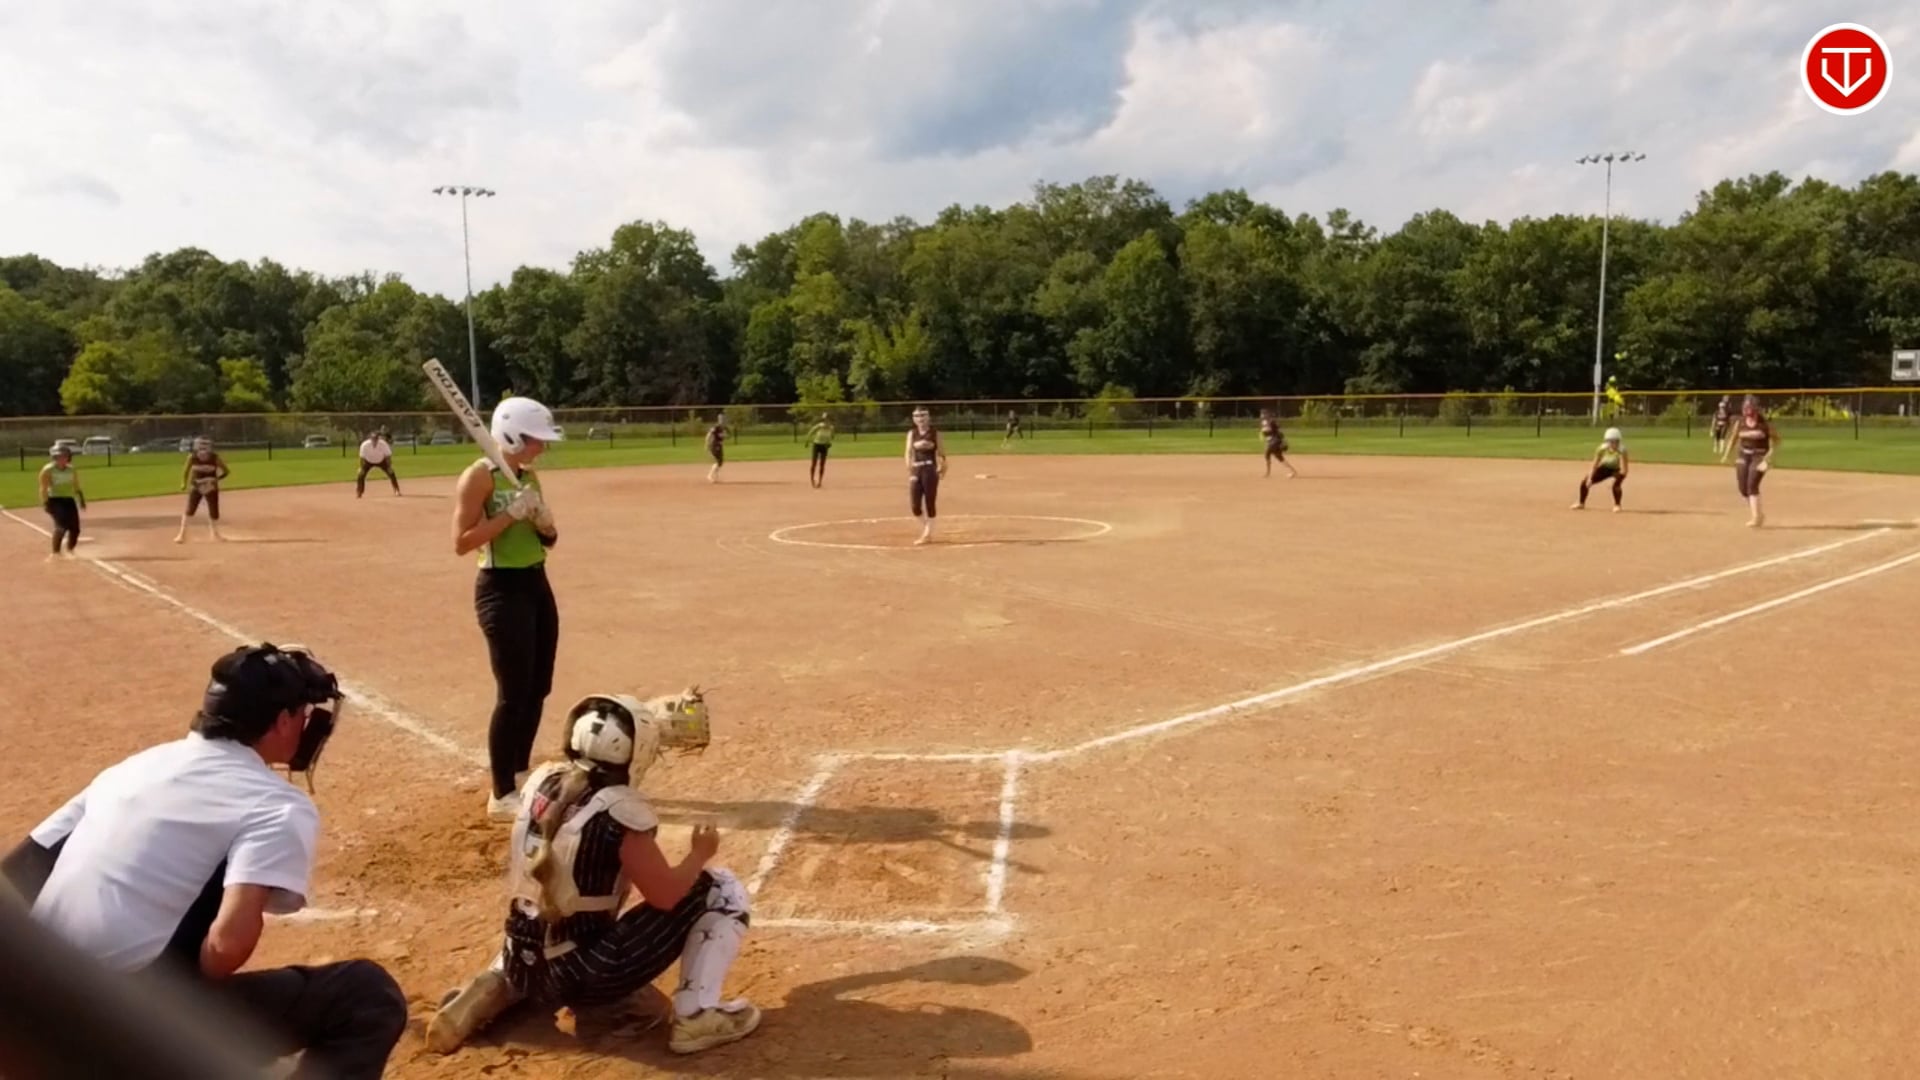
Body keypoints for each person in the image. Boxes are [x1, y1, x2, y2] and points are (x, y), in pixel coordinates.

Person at [0, 643, 408, 1080]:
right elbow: (225, 950)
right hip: (121, 1035)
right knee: (366, 996)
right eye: (303, 713)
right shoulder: (274, 805)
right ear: (283, 720)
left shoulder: (132, 768)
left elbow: (17, 875)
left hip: (28, 1021)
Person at [425, 688, 761, 1058]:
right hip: (583, 974)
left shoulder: (543, 783)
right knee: (721, 890)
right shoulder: (619, 814)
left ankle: (499, 983)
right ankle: (696, 1016)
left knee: (539, 916)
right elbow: (666, 895)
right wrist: (699, 854)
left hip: (522, 959)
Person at [454, 396, 564, 822]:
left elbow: (548, 541)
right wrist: (509, 515)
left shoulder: (528, 476)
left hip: (536, 583)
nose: (543, 447)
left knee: (539, 686)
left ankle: (519, 771)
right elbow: (462, 542)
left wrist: (544, 523)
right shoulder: (479, 477)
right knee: (513, 692)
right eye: (537, 439)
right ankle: (501, 793)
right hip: (500, 589)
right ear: (514, 436)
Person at [1720, 394, 1778, 527]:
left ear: (1756, 408)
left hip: (1759, 456)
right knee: (1743, 488)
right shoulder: (1740, 422)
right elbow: (1733, 439)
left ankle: (1756, 517)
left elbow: (1775, 442)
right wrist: (1726, 455)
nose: (1747, 410)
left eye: (1750, 407)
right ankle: (1759, 514)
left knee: (1752, 485)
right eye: (1745, 407)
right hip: (1743, 455)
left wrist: (1768, 459)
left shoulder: (1765, 424)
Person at [905, 406, 947, 546]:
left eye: (923, 415)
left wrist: (942, 467)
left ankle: (927, 534)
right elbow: (908, 452)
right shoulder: (912, 433)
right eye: (917, 416)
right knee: (915, 506)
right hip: (916, 469)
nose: (920, 419)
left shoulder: (935, 433)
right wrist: (909, 468)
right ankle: (927, 527)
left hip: (930, 469)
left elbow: (941, 453)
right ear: (913, 418)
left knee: (930, 501)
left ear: (928, 417)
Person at [176, 437, 229, 543]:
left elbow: (226, 471)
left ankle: (215, 534)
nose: (203, 451)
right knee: (190, 510)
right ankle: (182, 534)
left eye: (205, 448)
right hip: (196, 486)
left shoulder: (214, 458)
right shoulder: (192, 457)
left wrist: (215, 479)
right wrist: (183, 483)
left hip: (211, 487)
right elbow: (186, 471)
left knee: (213, 510)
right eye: (201, 447)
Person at [38, 444, 86, 560]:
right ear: (54, 457)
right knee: (61, 526)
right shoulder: (48, 470)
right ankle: (55, 553)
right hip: (55, 500)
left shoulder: (71, 469)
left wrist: (81, 499)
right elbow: (43, 488)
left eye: (65, 456)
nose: (62, 459)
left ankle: (70, 550)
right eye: (59, 457)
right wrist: (45, 502)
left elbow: (76, 485)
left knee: (75, 528)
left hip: (69, 499)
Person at [1571, 427, 1630, 512]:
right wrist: (1590, 478)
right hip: (1605, 467)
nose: (1613, 443)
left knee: (1615, 485)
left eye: (1615, 441)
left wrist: (1615, 479)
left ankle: (1617, 505)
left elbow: (1624, 470)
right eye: (1610, 441)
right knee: (1584, 482)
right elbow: (1595, 464)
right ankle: (1581, 503)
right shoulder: (1601, 449)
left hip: (1618, 470)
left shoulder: (1622, 450)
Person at [355, 427, 400, 498]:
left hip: (381, 461)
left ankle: (396, 490)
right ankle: (359, 492)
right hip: (368, 461)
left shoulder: (383, 444)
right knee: (360, 474)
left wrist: (389, 466)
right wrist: (361, 467)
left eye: (376, 439)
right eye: (373, 439)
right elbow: (362, 457)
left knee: (391, 472)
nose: (374, 440)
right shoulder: (364, 445)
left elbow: (388, 456)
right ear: (370, 439)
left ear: (378, 439)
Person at [1259, 409, 1297, 479]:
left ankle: (1267, 473)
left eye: (1263, 414)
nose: (1262, 415)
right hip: (1271, 442)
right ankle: (1293, 471)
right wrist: (1262, 436)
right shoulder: (1263, 423)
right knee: (1279, 457)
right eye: (1262, 414)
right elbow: (1265, 433)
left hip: (1275, 441)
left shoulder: (1271, 422)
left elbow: (1279, 432)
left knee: (1267, 453)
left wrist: (1284, 440)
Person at [806, 413, 834, 489]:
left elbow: (832, 436)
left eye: (827, 419)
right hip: (816, 445)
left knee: (822, 464)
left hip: (824, 446)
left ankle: (820, 481)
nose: (825, 420)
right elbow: (811, 432)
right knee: (814, 463)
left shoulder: (831, 428)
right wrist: (807, 441)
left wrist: (829, 442)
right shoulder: (819, 426)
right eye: (824, 419)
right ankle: (812, 480)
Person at [704, 415, 728, 483]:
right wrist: (706, 443)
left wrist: (724, 437)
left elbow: (724, 436)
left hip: (719, 446)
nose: (723, 421)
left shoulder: (724, 428)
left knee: (720, 463)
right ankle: (710, 476)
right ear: (719, 420)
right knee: (717, 462)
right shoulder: (716, 427)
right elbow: (709, 434)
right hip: (715, 445)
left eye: (724, 419)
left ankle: (715, 477)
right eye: (721, 419)